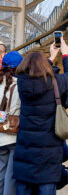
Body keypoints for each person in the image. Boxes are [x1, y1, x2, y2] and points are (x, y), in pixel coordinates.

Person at [13, 36, 68, 194]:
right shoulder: (55, 82)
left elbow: (34, 74)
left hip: (25, 149)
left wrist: (50, 58)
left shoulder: (21, 83)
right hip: (48, 153)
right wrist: (65, 54)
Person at [0, 51, 21, 195]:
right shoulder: (21, 84)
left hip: (0, 136)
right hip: (14, 136)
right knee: (11, 177)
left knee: (0, 173)